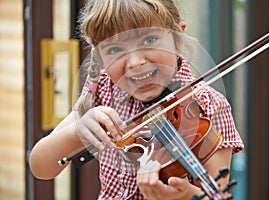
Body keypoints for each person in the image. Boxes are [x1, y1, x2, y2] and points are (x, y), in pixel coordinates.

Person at [29, 0, 244, 199]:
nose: (135, 62)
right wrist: (78, 130)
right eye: (115, 49)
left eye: (149, 40)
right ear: (99, 56)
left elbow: (216, 193)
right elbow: (41, 167)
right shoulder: (105, 89)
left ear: (178, 38)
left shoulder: (208, 105)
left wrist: (185, 195)